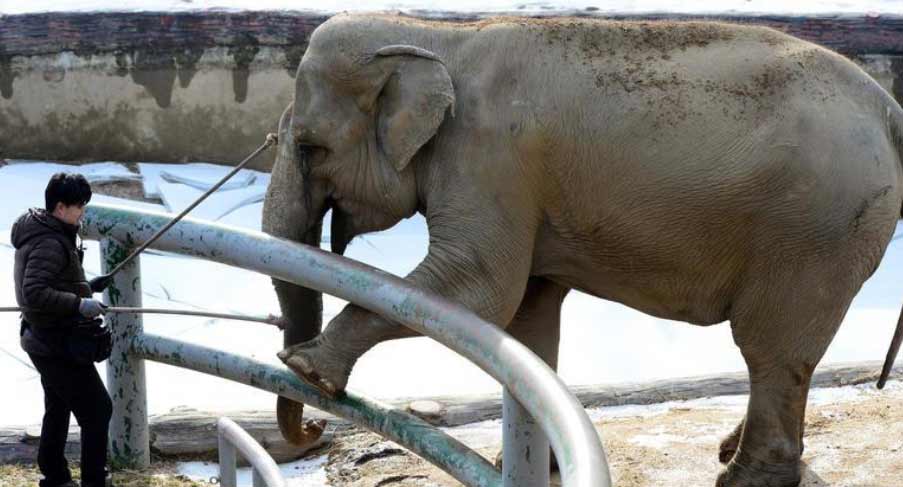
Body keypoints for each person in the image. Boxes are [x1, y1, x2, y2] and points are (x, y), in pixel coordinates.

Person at [12, 173, 113, 487]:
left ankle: (54, 475)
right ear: (60, 207)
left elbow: (52, 282)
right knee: (98, 410)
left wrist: (86, 289)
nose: (82, 211)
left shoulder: (48, 230)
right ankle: (93, 481)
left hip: (43, 338)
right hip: (55, 342)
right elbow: (34, 291)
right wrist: (79, 304)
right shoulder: (49, 241)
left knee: (58, 405)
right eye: (78, 205)